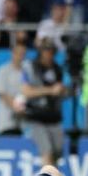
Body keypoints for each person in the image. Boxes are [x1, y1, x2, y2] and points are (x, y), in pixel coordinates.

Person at [16, 39, 65, 167]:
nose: (49, 54)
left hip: (54, 117)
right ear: (41, 52)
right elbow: (26, 91)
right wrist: (50, 90)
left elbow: (59, 93)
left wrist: (62, 91)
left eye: (52, 51)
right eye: (46, 51)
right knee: (46, 151)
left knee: (57, 153)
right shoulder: (31, 67)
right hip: (36, 117)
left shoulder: (57, 69)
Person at [0, 41, 28, 136]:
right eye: (18, 53)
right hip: (6, 123)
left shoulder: (26, 72)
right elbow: (2, 94)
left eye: (23, 54)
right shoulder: (3, 71)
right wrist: (17, 107)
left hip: (23, 124)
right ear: (13, 54)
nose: (21, 57)